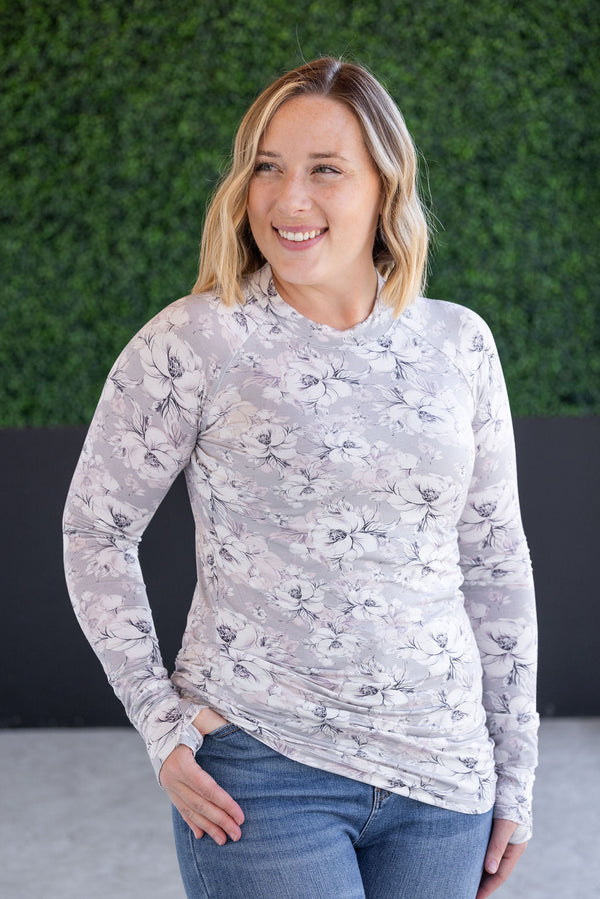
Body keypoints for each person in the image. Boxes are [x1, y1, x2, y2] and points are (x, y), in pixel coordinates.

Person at [63, 57, 538, 899]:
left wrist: (516, 773)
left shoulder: (459, 344)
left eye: (326, 170)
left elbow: (494, 560)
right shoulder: (197, 340)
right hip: (262, 772)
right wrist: (161, 723)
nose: (289, 201)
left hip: (445, 774)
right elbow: (95, 528)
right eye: (268, 169)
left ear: (387, 186)